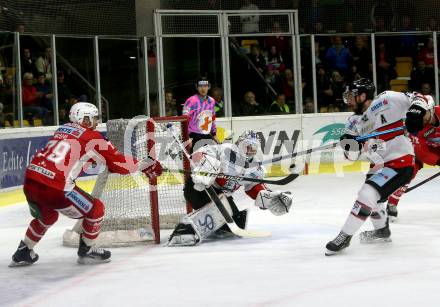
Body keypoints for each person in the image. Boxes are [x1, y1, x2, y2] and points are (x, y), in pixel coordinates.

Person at [9, 102, 162, 266]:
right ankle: (87, 249)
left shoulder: (62, 129)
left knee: (48, 216)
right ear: (85, 119)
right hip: (55, 188)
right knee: (96, 209)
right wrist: (145, 165)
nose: (97, 122)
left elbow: (74, 154)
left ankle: (24, 250)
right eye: (95, 118)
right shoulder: (93, 137)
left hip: (31, 181)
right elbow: (120, 164)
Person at [325, 79, 415, 255]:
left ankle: (345, 236)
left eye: (351, 96)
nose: (348, 101)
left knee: (367, 193)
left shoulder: (387, 99)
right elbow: (352, 156)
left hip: (400, 160)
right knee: (371, 200)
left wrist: (417, 114)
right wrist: (348, 145)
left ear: (363, 96)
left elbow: (419, 99)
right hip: (378, 165)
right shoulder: (353, 122)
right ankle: (382, 230)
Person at [167, 130, 293, 246]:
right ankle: (186, 230)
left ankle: (211, 227)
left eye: (254, 148)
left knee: (235, 225)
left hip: (220, 196)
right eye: (247, 146)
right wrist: (203, 165)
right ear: (239, 144)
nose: (250, 150)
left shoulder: (254, 167)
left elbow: (254, 187)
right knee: (216, 212)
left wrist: (269, 199)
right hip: (197, 189)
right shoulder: (225, 150)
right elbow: (200, 153)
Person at [386, 94, 438, 220]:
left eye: (424, 114)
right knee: (409, 171)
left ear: (431, 110)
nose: (422, 119)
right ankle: (393, 201)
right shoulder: (416, 126)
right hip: (423, 151)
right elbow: (423, 153)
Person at [182, 77, 218, 152]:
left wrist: (214, 133)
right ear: (196, 87)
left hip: (206, 134)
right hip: (193, 135)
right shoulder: (190, 100)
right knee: (196, 160)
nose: (203, 88)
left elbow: (213, 117)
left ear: (209, 87)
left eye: (205, 86)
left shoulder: (212, 101)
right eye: (200, 86)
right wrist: (187, 137)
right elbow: (184, 120)